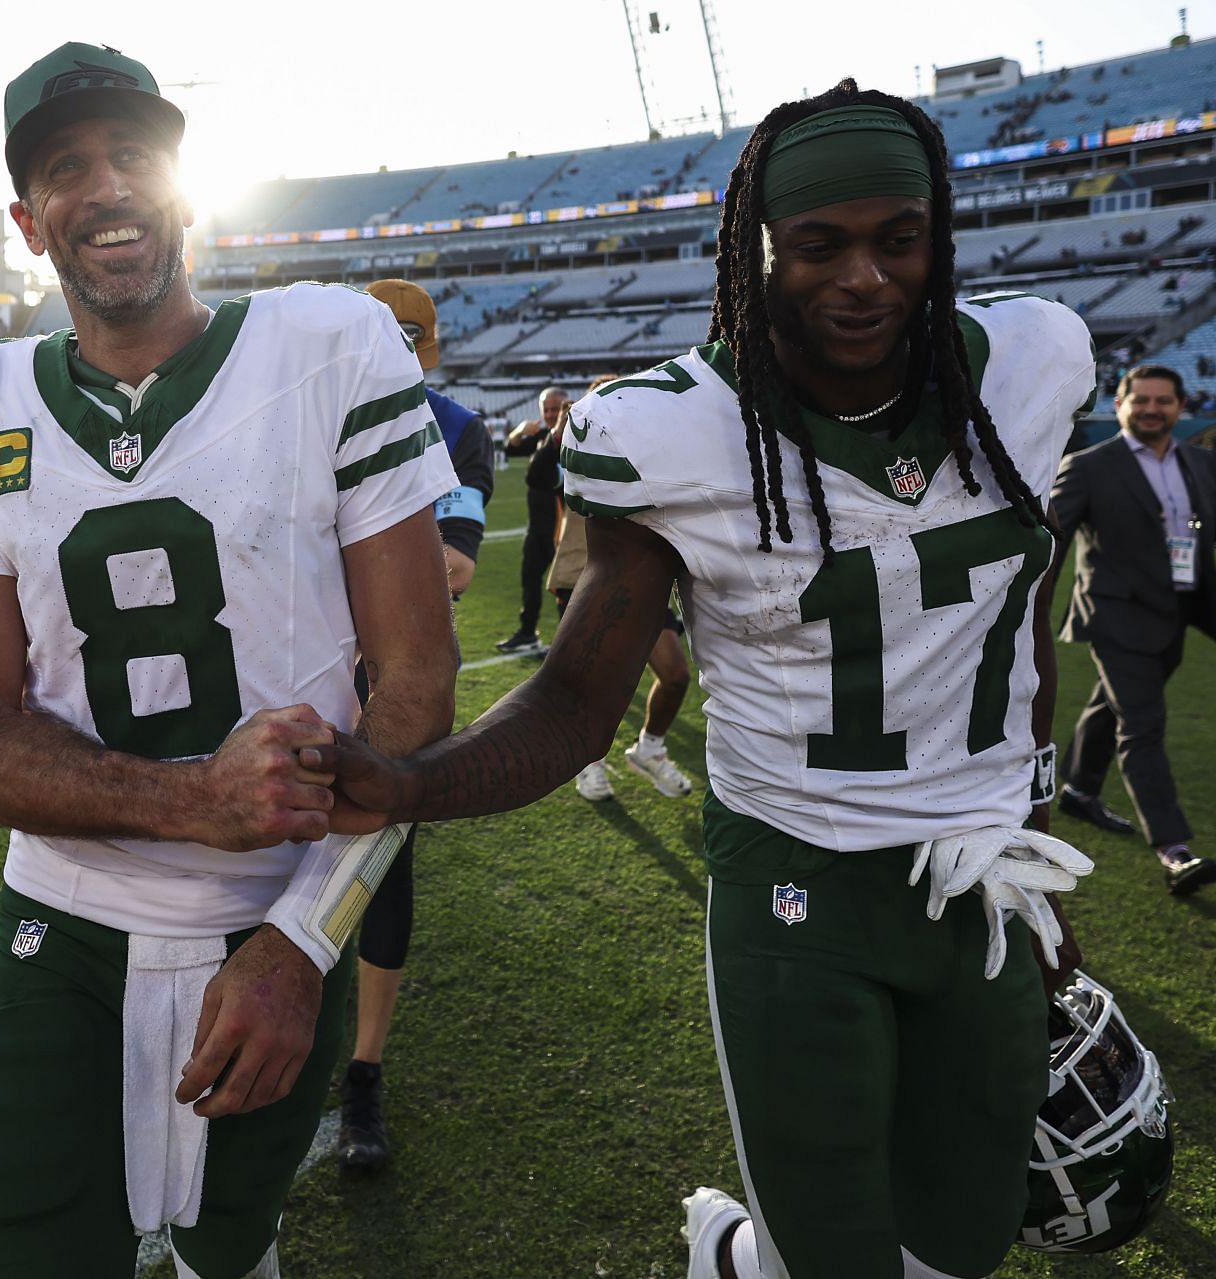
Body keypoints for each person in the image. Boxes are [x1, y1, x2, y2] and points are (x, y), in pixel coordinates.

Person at [325, 81, 1097, 1279]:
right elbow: (581, 699)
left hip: (981, 877)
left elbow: (1024, 624)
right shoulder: (677, 431)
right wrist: (407, 780)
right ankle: (731, 1246)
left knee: (964, 1248)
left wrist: (1036, 827)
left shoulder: (1034, 363)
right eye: (821, 244)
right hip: (800, 882)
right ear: (757, 247)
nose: (864, 277)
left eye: (899, 239)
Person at [0, 43, 458, 1279]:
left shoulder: (333, 347)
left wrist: (306, 941)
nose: (106, 188)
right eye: (65, 168)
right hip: (66, 909)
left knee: (230, 1247)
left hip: (274, 910)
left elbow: (415, 690)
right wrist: (190, 800)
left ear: (186, 185)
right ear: (27, 219)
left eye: (135, 156)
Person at [332, 279, 494, 1175]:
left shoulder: (457, 428)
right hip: (298, 666)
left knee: (379, 867)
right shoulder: (313, 414)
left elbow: (458, 567)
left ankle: (364, 1071)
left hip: (395, 673)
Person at [1052, 363, 1216, 894]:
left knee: (1112, 704)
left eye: (1163, 401)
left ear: (1181, 407)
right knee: (1143, 723)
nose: (1152, 409)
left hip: (1176, 612)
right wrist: (1022, 606)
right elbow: (1052, 539)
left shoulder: (1204, 464)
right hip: (1112, 614)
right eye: (1141, 400)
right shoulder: (1088, 466)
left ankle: (1080, 792)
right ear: (1120, 405)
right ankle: (1174, 850)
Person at [535, 379, 696, 803]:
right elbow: (539, 477)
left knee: (676, 675)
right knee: (594, 683)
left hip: (643, 574)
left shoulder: (646, 447)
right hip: (583, 577)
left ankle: (649, 749)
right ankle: (588, 764)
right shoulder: (576, 446)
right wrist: (558, 432)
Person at [493, 386, 567, 654]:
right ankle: (527, 633)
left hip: (563, 527)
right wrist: (519, 430)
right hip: (537, 525)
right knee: (530, 579)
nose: (550, 414)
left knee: (565, 587)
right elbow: (510, 449)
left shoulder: (573, 438)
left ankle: (566, 644)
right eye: (546, 409)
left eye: (555, 408)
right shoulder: (541, 437)